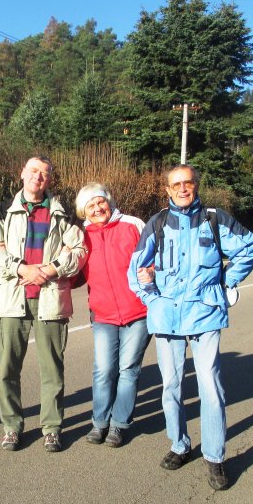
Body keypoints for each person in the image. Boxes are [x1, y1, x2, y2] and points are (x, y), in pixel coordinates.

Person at [128, 165, 253, 490]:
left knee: (210, 388)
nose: (183, 188)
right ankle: (179, 444)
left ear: (196, 185)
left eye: (188, 182)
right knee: (170, 386)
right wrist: (151, 296)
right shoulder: (157, 223)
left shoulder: (216, 220)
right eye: (176, 184)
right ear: (168, 190)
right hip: (167, 316)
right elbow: (136, 268)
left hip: (205, 313)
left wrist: (227, 283)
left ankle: (214, 457)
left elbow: (250, 246)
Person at [0, 156, 87, 452]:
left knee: (52, 369)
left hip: (50, 300)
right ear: (22, 174)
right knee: (7, 369)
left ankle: (51, 427)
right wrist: (21, 269)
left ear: (50, 180)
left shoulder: (62, 214)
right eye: (33, 171)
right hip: (11, 301)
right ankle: (11, 427)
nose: (38, 177)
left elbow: (80, 250)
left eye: (44, 173)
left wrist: (51, 269)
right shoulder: (1, 211)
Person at [74, 183, 151, 448]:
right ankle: (99, 422)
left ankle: (119, 424)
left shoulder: (132, 225)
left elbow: (153, 255)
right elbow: (74, 272)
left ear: (109, 201)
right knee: (104, 370)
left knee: (128, 369)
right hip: (103, 313)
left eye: (100, 202)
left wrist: (151, 273)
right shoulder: (81, 235)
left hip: (138, 311)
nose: (97, 209)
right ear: (83, 211)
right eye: (90, 206)